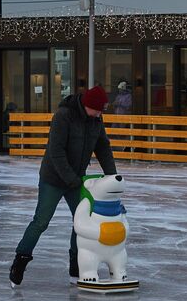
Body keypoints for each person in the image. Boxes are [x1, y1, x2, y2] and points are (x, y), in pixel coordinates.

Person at [10, 85, 117, 286]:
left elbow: (103, 146)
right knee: (41, 221)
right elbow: (55, 153)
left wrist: (113, 176)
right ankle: (21, 259)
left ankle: (76, 266)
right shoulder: (63, 116)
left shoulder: (95, 119)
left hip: (75, 179)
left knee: (81, 223)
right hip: (53, 178)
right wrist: (72, 179)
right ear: (88, 105)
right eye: (98, 109)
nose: (100, 113)